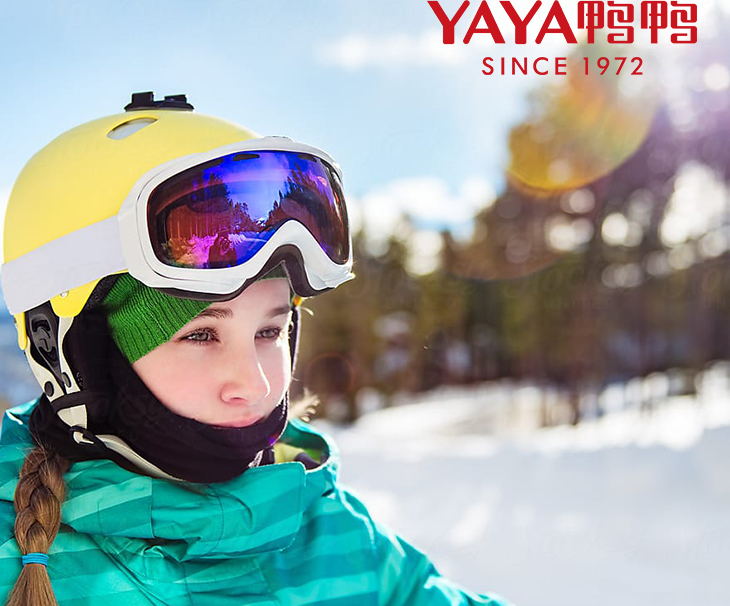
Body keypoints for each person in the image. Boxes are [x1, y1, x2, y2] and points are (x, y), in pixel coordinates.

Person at [0, 92, 510, 605]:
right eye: (201, 335)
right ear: (69, 354)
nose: (256, 384)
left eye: (269, 332)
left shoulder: (331, 531)